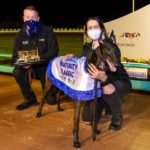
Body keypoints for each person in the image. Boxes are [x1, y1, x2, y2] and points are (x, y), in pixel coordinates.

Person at [63, 16, 132, 130]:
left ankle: (117, 117)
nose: (92, 30)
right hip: (96, 85)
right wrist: (72, 58)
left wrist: (105, 77)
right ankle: (106, 102)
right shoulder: (87, 47)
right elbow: (84, 65)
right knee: (86, 119)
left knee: (106, 87)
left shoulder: (111, 46)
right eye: (89, 28)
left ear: (102, 28)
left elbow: (117, 71)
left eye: (95, 27)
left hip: (117, 81)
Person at [12, 5, 59, 110]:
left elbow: (54, 52)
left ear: (38, 18)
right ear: (24, 18)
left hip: (45, 67)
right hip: (29, 68)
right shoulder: (19, 35)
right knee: (17, 71)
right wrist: (23, 64)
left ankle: (52, 92)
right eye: (28, 17)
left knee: (50, 100)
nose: (30, 20)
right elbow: (15, 56)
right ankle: (30, 99)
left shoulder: (47, 30)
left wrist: (34, 59)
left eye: (33, 17)